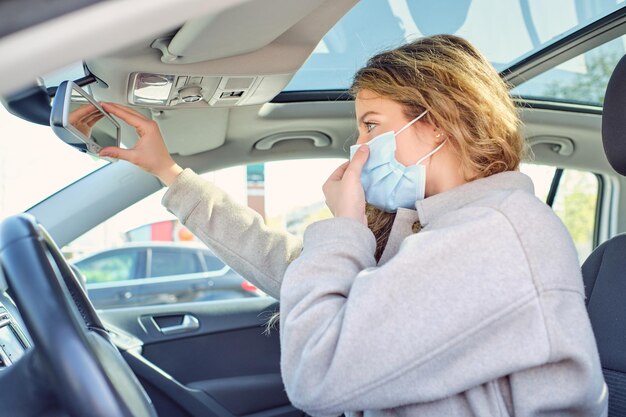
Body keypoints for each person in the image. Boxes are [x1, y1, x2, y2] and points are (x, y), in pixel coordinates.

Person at [98, 34, 608, 417]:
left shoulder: (496, 233)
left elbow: (317, 373)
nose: (359, 148)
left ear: (438, 120)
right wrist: (169, 173)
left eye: (371, 125)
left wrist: (346, 223)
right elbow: (297, 271)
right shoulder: (433, 226)